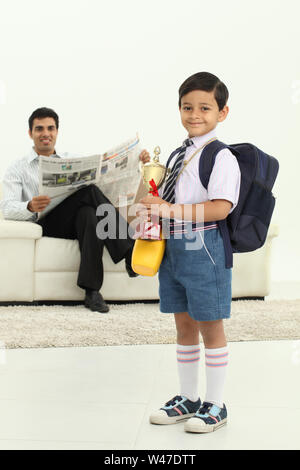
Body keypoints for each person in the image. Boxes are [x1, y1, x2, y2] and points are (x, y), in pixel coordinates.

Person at [139, 72, 241, 433]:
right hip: (174, 249)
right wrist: (149, 177)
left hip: (206, 248)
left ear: (222, 112)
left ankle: (216, 405)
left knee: (210, 325)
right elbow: (167, 198)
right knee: (183, 324)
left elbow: (220, 208)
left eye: (204, 107)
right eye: (187, 107)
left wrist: (169, 212)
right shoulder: (180, 152)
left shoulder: (220, 156)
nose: (194, 114)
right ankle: (189, 398)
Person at [0, 107, 150, 313]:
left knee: (89, 213)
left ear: (57, 132)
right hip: (46, 222)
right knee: (88, 193)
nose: (46, 133)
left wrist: (136, 163)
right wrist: (29, 206)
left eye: (51, 128)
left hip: (75, 221)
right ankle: (129, 248)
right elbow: (7, 208)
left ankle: (92, 292)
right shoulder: (18, 168)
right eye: (39, 129)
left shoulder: (71, 159)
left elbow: (104, 186)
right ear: (30, 133)